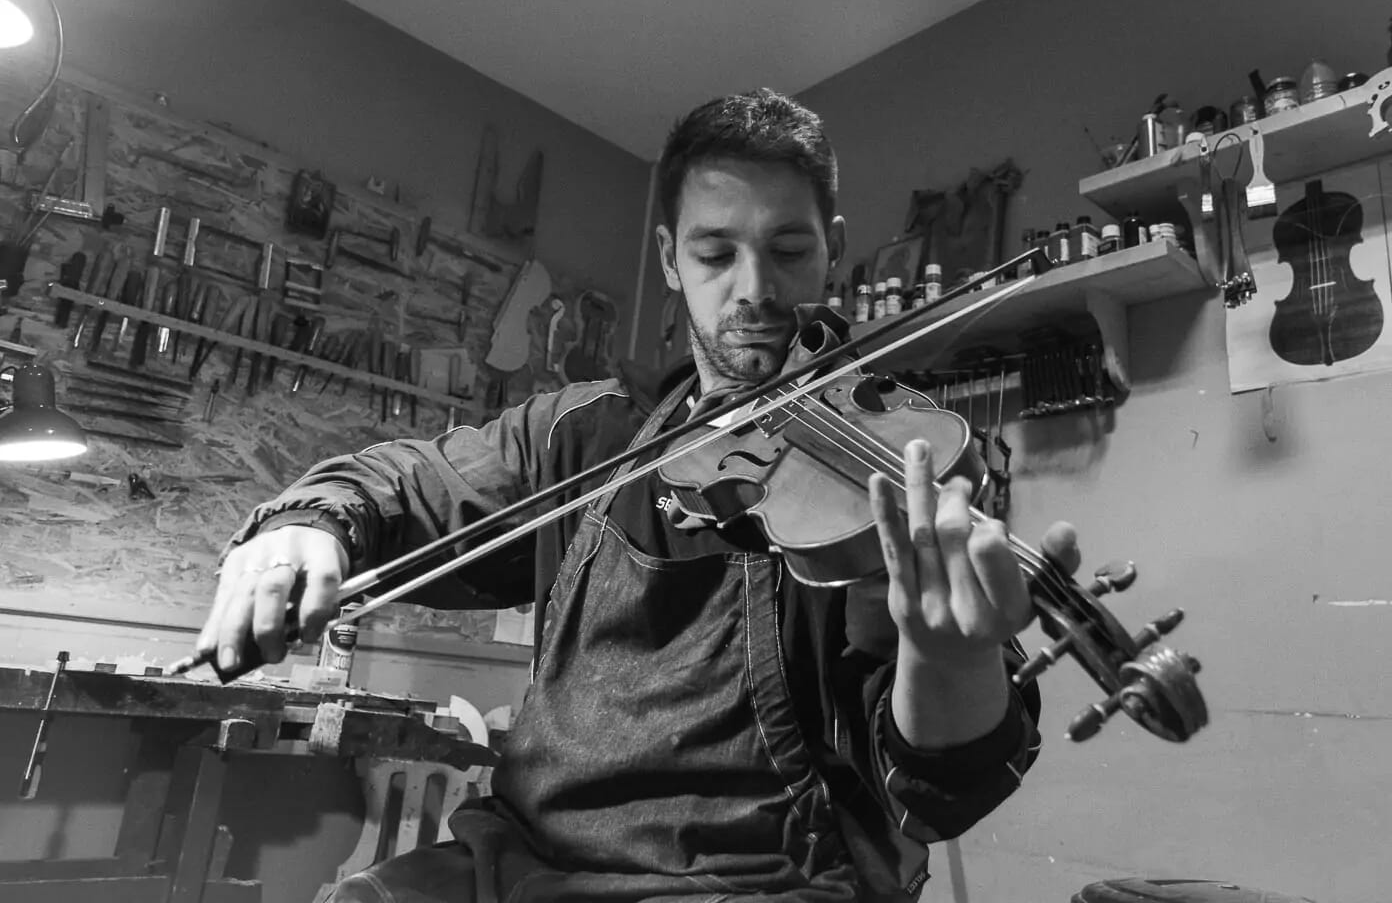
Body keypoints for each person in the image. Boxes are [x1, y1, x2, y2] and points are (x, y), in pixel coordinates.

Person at [195, 88, 1080, 902]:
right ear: (669, 259)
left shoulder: (894, 463)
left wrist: (949, 659)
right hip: (524, 865)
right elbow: (409, 482)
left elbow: (939, 790)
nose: (755, 289)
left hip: (765, 882)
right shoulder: (587, 435)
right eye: (715, 252)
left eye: (788, 250)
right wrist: (308, 525)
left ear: (833, 250)